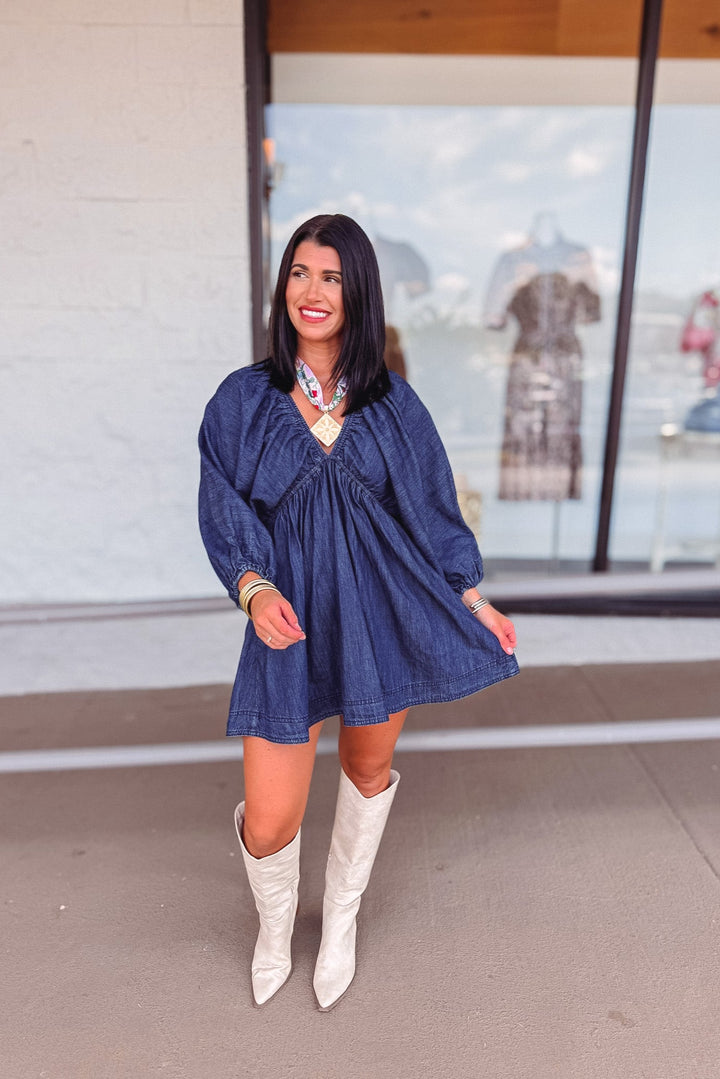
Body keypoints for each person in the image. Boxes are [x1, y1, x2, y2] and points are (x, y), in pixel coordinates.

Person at [198, 213, 519, 1012]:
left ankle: (339, 917)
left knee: (366, 769)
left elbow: (432, 512)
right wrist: (253, 586)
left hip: (383, 615)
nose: (312, 291)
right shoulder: (243, 400)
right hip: (288, 623)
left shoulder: (394, 405)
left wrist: (471, 596)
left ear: (359, 292)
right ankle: (277, 927)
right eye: (300, 272)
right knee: (270, 819)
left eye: (332, 277)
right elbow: (221, 503)